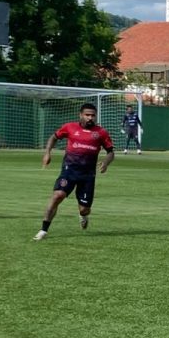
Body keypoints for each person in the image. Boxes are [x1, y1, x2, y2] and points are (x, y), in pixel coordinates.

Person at [34, 103, 115, 241]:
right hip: (69, 170)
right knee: (57, 196)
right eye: (87, 115)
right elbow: (54, 137)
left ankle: (83, 216)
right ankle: (43, 230)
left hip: (88, 175)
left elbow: (111, 152)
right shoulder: (69, 127)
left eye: (93, 115)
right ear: (80, 115)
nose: (90, 118)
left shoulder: (101, 132)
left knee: (84, 209)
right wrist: (47, 153)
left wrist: (106, 162)